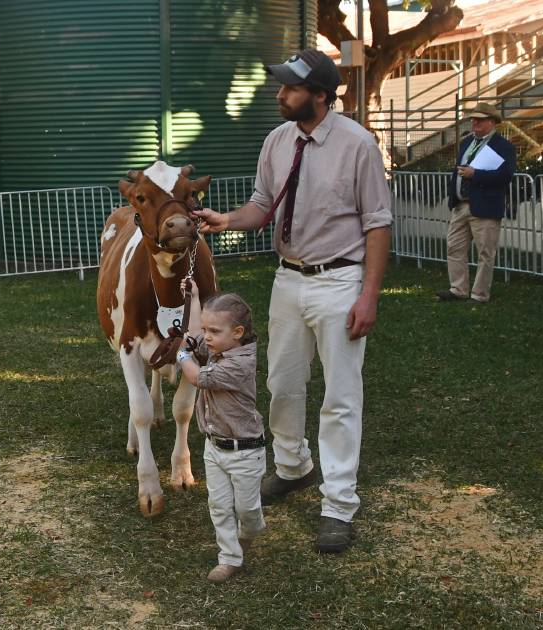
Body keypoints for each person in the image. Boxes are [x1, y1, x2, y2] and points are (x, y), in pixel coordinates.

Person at [193, 49, 393, 554]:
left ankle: (339, 505)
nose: (279, 95)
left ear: (321, 96)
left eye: (290, 88)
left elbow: (377, 223)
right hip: (289, 279)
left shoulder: (357, 144)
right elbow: (263, 206)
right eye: (280, 87)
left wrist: (369, 295)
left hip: (340, 282)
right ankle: (292, 467)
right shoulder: (277, 141)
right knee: (282, 384)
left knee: (341, 397)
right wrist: (226, 220)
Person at [175, 284, 265, 583]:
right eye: (206, 329)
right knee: (219, 506)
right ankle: (229, 558)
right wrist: (194, 298)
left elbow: (198, 377)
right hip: (214, 448)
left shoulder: (240, 363)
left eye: (213, 331)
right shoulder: (221, 345)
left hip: (246, 452)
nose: (207, 337)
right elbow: (195, 339)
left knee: (247, 511)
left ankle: (249, 531)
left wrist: (182, 356)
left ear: (238, 332)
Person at [435, 103, 517, 303]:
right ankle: (458, 289)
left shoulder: (504, 147)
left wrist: (476, 174)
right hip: (461, 205)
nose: (474, 122)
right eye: (473, 119)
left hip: (486, 206)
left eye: (479, 119)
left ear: (491, 122)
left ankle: (479, 295)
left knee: (485, 252)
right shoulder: (467, 142)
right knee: (454, 247)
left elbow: (505, 176)